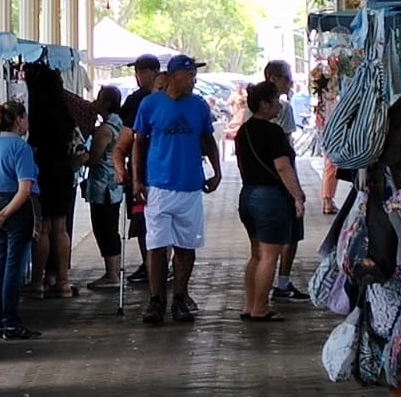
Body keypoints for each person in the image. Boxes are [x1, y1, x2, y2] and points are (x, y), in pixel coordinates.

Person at [132, 54, 222, 325]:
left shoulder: (199, 106)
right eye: (188, 75)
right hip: (158, 185)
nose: (193, 80)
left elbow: (208, 139)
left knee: (186, 246)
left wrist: (217, 171)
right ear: (171, 77)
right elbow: (138, 142)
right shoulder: (150, 105)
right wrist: (137, 179)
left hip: (190, 186)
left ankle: (180, 298)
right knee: (157, 246)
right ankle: (156, 300)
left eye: (194, 75)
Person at [235, 81, 306, 321]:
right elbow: (283, 167)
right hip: (270, 197)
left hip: (247, 195)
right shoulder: (273, 132)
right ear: (264, 104)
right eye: (276, 101)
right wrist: (298, 195)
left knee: (256, 254)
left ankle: (249, 304)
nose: (279, 105)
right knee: (269, 255)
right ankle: (260, 307)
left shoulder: (243, 131)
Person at [0, 100, 42, 340]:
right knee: (14, 267)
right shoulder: (20, 148)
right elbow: (25, 189)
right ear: (19, 120)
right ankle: (10, 321)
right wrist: (6, 213)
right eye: (25, 118)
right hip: (16, 207)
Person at [23, 62, 77, 298]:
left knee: (42, 228)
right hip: (63, 172)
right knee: (60, 227)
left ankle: (38, 282)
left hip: (41, 172)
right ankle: (63, 281)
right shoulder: (65, 114)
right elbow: (79, 147)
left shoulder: (34, 114)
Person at [263, 59, 310, 303]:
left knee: (262, 239)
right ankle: (280, 282)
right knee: (290, 231)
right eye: (286, 78)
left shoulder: (253, 113)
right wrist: (297, 191)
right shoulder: (282, 109)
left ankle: (263, 287)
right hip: (281, 178)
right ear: (273, 77)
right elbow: (285, 154)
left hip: (257, 181)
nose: (290, 83)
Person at [114, 54, 160, 284]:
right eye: (137, 72)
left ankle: (158, 264)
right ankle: (149, 263)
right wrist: (121, 169)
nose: (138, 77)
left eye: (142, 72)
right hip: (138, 175)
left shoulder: (152, 101)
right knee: (142, 222)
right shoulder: (134, 101)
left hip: (157, 176)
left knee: (155, 224)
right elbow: (124, 141)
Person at [79, 85, 124, 288]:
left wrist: (80, 156)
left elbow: (94, 158)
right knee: (109, 227)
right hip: (113, 185)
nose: (94, 103)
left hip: (103, 185)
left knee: (104, 227)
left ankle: (112, 273)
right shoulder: (117, 124)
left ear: (106, 103)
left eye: (98, 99)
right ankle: (112, 271)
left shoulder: (105, 130)